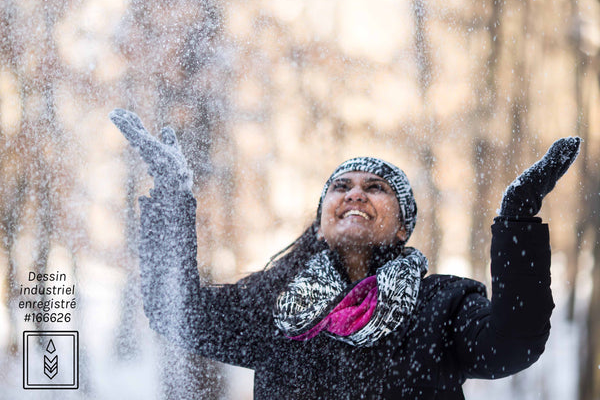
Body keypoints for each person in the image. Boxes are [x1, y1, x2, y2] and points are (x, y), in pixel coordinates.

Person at [109, 108, 580, 399]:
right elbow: (175, 313)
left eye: (375, 188)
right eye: (341, 187)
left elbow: (515, 344)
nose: (355, 194)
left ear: (402, 228)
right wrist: (172, 197)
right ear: (321, 220)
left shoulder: (442, 305)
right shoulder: (275, 307)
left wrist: (517, 219)